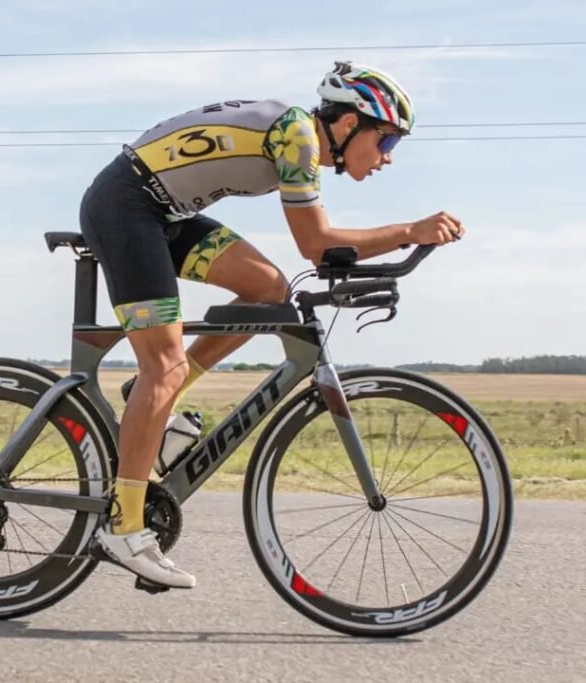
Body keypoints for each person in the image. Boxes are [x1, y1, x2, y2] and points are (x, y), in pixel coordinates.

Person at [78, 61, 464, 589]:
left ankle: (156, 406)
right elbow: (317, 244)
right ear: (349, 123)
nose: (388, 157)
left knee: (269, 290)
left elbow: (317, 249)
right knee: (163, 366)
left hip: (164, 213)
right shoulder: (297, 137)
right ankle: (122, 526)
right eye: (387, 141)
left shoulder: (297, 135)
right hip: (126, 208)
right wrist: (407, 231)